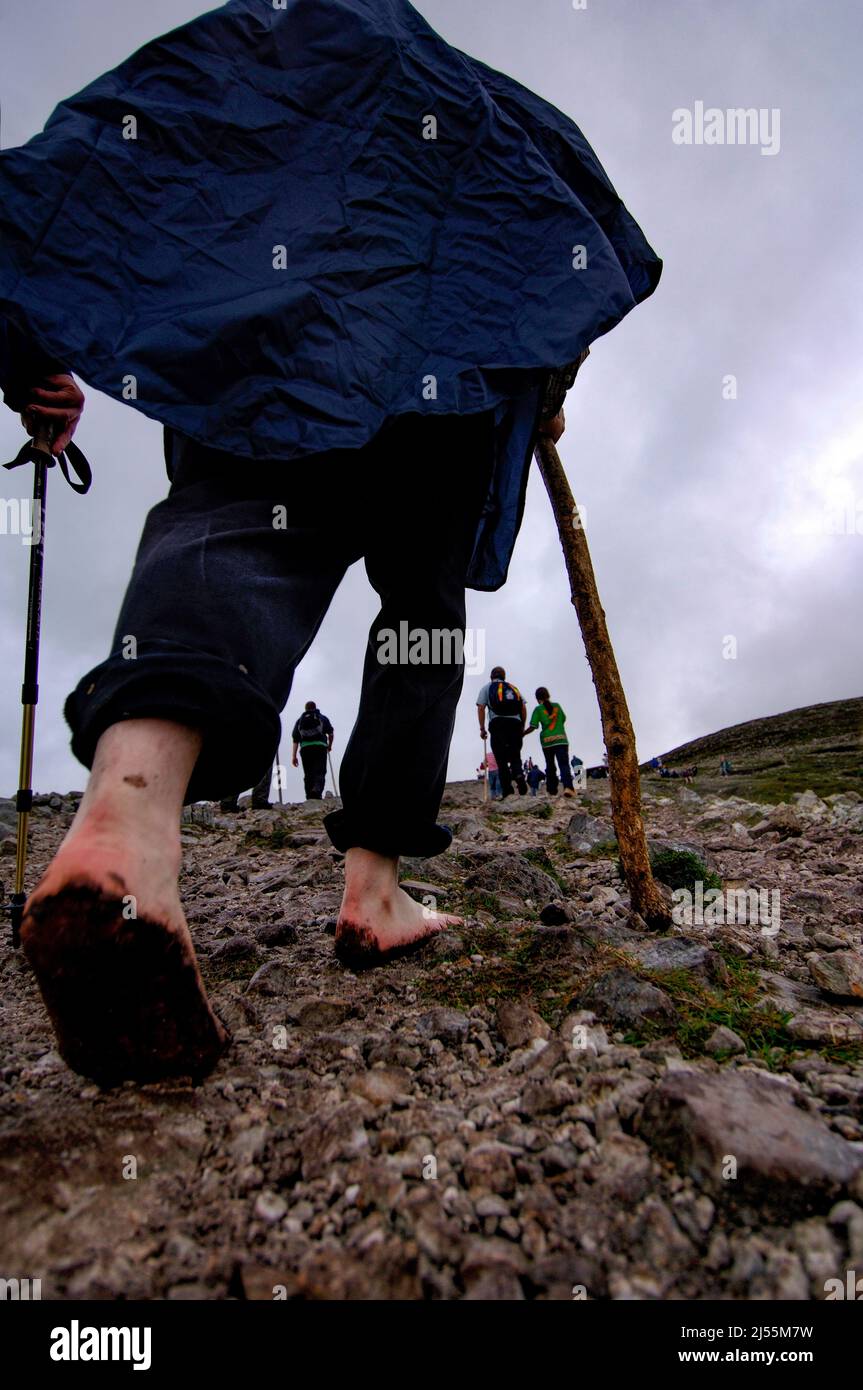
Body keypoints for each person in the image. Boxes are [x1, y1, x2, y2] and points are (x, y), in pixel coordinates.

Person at [0, 0, 660, 1083]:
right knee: (419, 610)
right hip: (438, 380)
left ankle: (122, 825)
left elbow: (93, 167)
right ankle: (373, 887)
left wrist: (27, 344)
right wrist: (540, 375)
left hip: (264, 339)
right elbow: (572, 235)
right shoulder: (479, 98)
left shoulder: (251, 51)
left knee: (233, 529)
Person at [477, 667, 528, 798]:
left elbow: (481, 707)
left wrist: (482, 728)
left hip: (497, 724)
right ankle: (519, 775)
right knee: (515, 755)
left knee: (501, 759)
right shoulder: (513, 688)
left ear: (491, 676)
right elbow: (523, 707)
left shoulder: (487, 688)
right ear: (504, 676)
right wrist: (522, 725)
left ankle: (507, 791)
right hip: (515, 724)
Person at [525, 687, 575, 796]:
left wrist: (523, 734)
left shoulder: (538, 709)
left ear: (537, 698)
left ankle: (552, 790)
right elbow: (563, 719)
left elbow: (533, 726)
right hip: (561, 739)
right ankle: (568, 788)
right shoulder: (557, 706)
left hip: (547, 741)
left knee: (550, 766)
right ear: (548, 695)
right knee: (564, 765)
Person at [291, 702, 334, 801]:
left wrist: (294, 756)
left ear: (305, 709)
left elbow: (295, 740)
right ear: (315, 707)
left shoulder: (300, 720)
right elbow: (331, 733)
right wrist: (329, 746)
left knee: (308, 773)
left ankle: (309, 796)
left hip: (305, 748)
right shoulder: (322, 718)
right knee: (320, 770)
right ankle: (317, 790)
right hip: (320, 746)